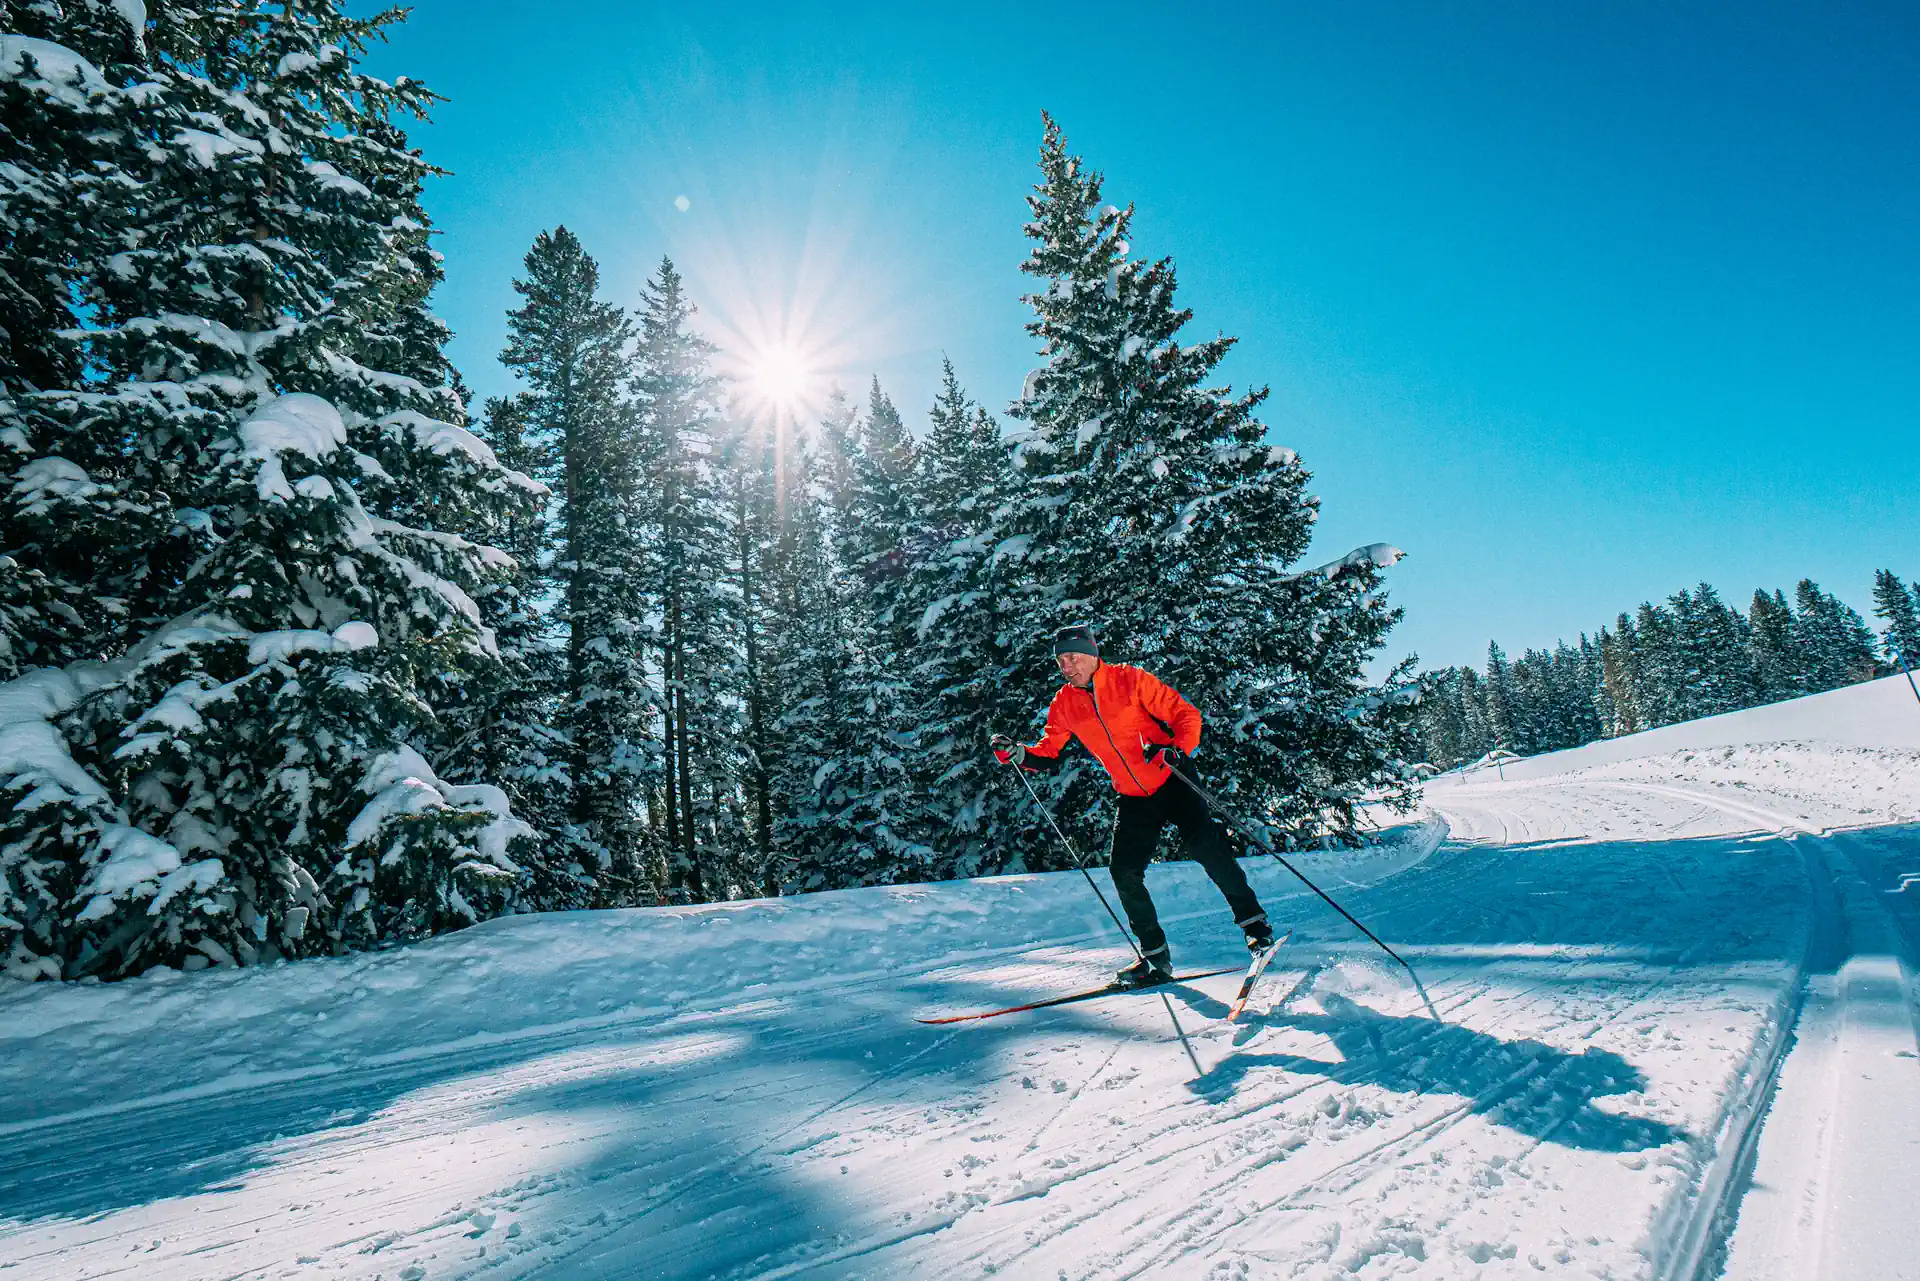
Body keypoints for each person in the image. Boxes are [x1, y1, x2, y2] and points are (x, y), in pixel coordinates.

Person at [992, 624, 1274, 988]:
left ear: (1093, 655)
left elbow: (1185, 715)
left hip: (1170, 776)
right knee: (1123, 871)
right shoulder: (1065, 702)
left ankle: (1255, 927)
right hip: (1134, 794)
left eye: (1074, 657)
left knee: (1206, 847)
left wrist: (1177, 748)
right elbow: (1050, 751)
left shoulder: (1130, 680)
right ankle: (1155, 959)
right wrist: (1019, 753)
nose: (1067, 665)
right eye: (1062, 659)